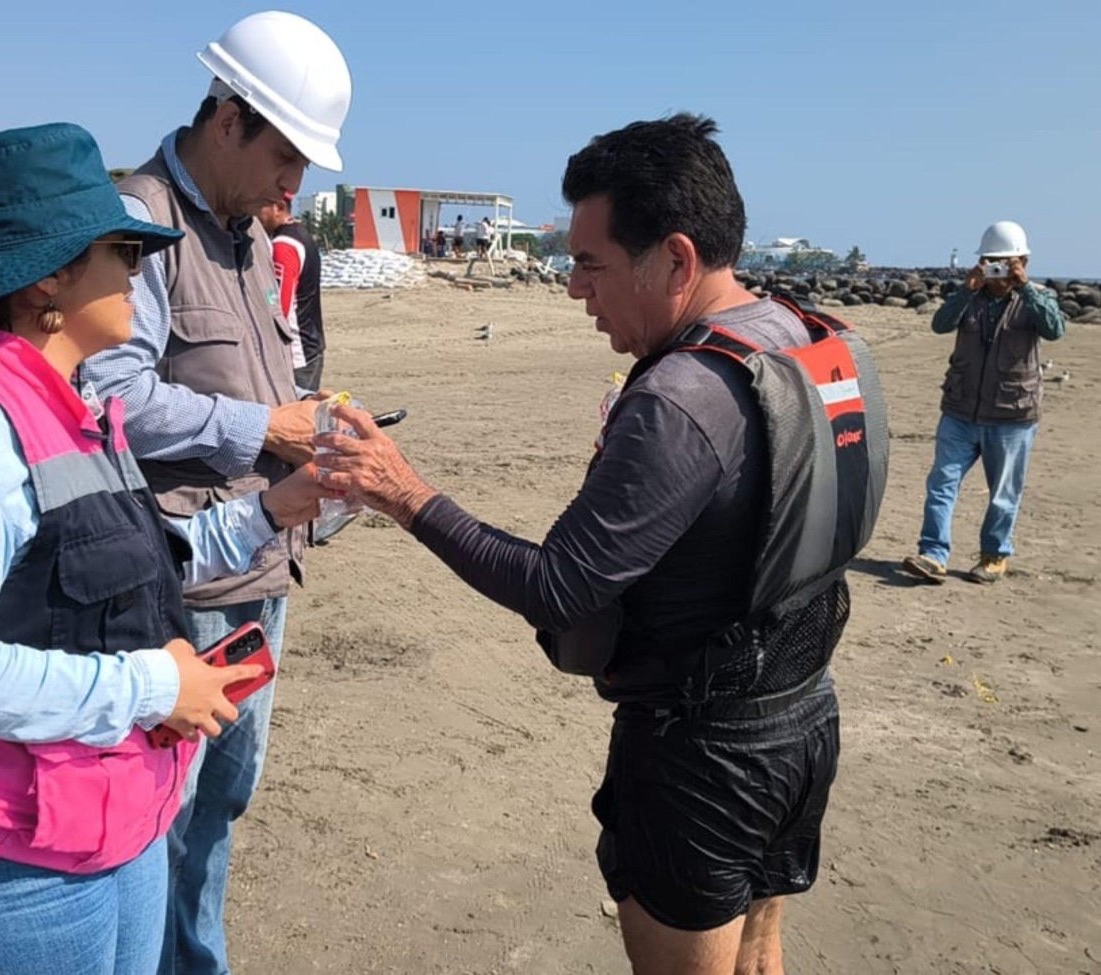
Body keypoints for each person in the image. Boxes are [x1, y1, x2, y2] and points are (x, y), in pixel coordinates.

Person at [313, 114, 888, 975]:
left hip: (705, 754)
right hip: (802, 717)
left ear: (677, 259)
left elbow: (557, 589)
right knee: (761, 953)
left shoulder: (683, 399)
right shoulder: (805, 334)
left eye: (590, 264)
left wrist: (402, 490)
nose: (575, 288)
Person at [0, 122, 324, 975]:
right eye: (123, 249)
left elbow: (130, 567)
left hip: (97, 829)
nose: (139, 269)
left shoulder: (74, 404)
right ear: (49, 276)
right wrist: (155, 683)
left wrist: (278, 507)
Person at [86, 11, 352, 973]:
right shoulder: (140, 220)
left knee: (222, 802)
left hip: (258, 570)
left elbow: (257, 375)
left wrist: (310, 418)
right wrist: (264, 428)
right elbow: (109, 397)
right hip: (179, 579)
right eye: (288, 158)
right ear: (230, 118)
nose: (296, 187)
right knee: (162, 803)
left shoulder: (246, 235)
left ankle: (195, 961)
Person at [900, 220, 1065, 585]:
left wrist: (1025, 288)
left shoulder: (1037, 297)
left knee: (1003, 493)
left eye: (1006, 262)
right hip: (960, 411)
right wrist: (964, 290)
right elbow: (940, 325)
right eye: (992, 261)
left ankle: (993, 555)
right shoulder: (970, 297)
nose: (998, 270)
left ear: (1023, 260)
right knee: (941, 484)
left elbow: (1055, 329)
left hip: (1012, 416)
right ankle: (933, 554)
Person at [258, 193, 327, 391]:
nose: (254, 215)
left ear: (278, 207)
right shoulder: (302, 235)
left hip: (296, 353)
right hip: (311, 345)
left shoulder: (283, 245)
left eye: (260, 207)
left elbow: (279, 307)